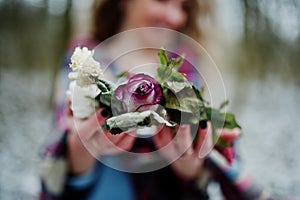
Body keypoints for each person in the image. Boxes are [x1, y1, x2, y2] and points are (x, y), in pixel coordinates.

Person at [40, 0, 283, 199]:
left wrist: (188, 162)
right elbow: (59, 170)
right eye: (163, 1)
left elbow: (197, 179)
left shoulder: (187, 67)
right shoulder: (84, 59)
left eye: (183, 7)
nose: (175, 17)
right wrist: (82, 144)